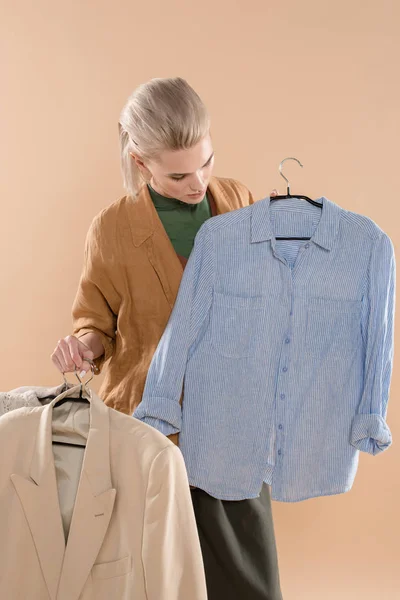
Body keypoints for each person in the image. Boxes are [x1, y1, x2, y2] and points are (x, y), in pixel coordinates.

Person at [52, 77, 282, 599]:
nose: (198, 182)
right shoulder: (110, 230)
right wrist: (82, 347)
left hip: (232, 417)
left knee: (250, 575)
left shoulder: (240, 202)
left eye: (206, 162)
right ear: (140, 161)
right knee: (162, 575)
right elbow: (94, 322)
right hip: (155, 431)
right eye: (178, 174)